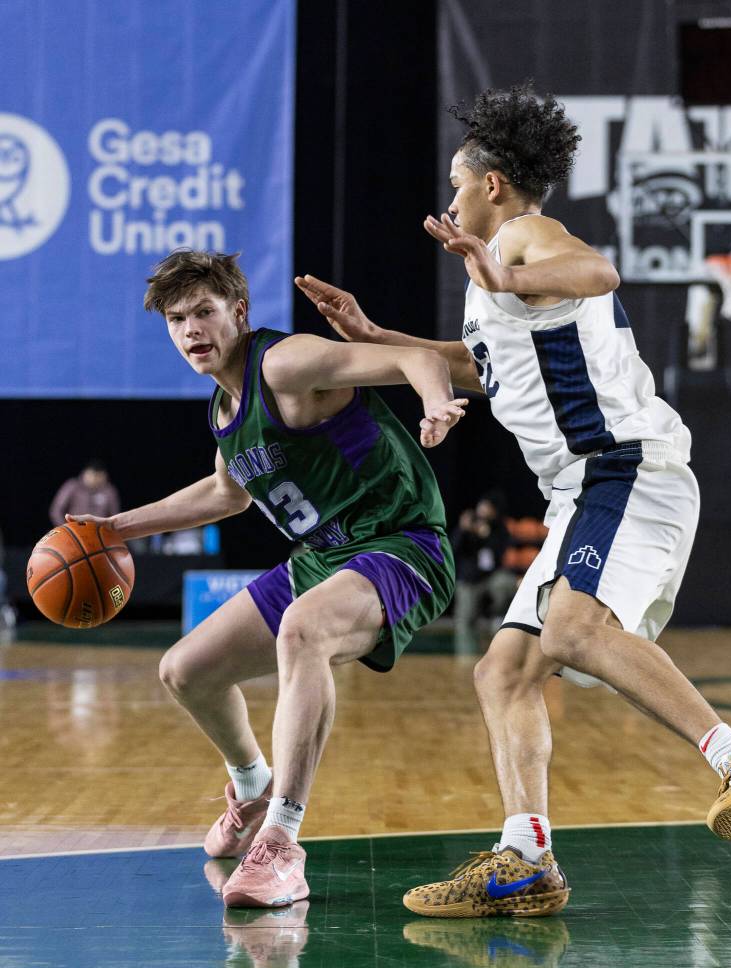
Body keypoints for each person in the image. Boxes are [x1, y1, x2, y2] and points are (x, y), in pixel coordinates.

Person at [295, 83, 731, 918]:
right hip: (582, 487)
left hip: (625, 468)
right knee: (503, 671)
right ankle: (527, 857)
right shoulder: (499, 275)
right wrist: (374, 336)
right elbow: (481, 368)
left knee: (572, 631)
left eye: (459, 182)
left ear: (492, 185)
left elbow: (599, 269)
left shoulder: (526, 239)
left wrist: (501, 265)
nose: (451, 197)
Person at [69, 249, 465, 909]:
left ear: (239, 312)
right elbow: (228, 494)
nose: (192, 328)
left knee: (303, 631)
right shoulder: (224, 408)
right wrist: (115, 529)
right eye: (177, 318)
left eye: (204, 311)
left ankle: (282, 841)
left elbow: (412, 359)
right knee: (186, 669)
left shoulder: (283, 362)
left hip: (400, 545)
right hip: (321, 556)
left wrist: (434, 404)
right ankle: (252, 785)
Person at [452, 492, 517, 647]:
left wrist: (486, 535)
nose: (483, 509)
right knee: (465, 621)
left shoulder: (500, 527)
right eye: (482, 505)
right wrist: (463, 530)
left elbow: (499, 554)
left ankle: (498, 615)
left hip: (491, 576)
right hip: (470, 579)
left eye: (487, 506)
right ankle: (466, 658)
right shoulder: (468, 524)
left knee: (505, 582)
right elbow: (453, 550)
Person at [49, 459, 120, 526]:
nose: (95, 479)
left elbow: (115, 515)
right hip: (74, 528)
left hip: (98, 531)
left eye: (99, 476)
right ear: (85, 473)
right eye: (92, 475)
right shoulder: (72, 486)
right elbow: (56, 511)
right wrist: (66, 528)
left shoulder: (109, 490)